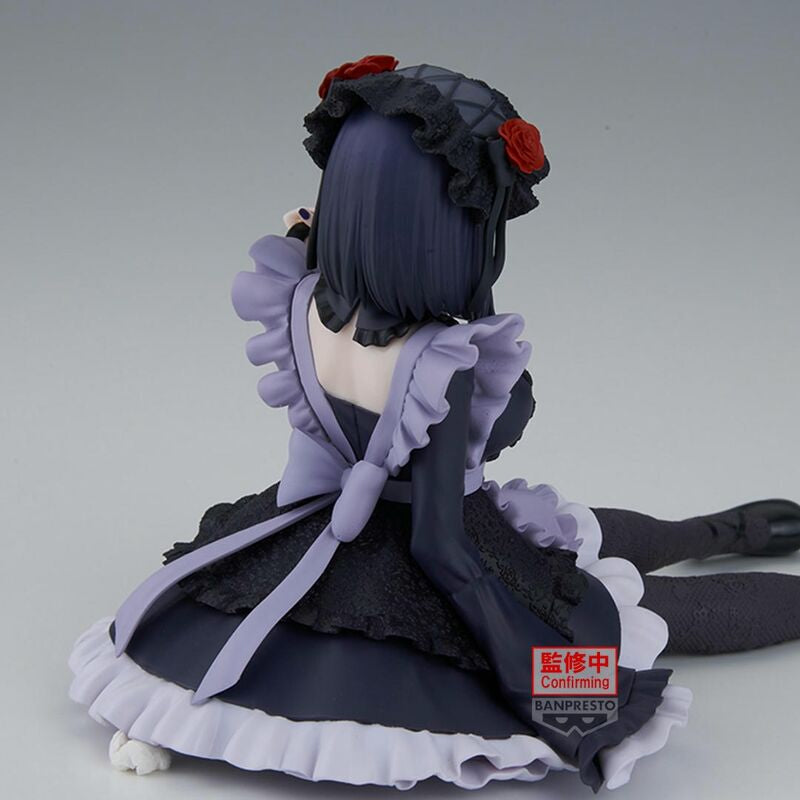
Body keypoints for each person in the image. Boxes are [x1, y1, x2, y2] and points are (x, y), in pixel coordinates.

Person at [69, 56, 800, 792]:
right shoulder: (438, 360)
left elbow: (311, 252)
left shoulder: (294, 296)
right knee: (629, 602)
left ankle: (722, 529)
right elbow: (441, 543)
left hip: (310, 525)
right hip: (429, 547)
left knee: (578, 538)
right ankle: (724, 531)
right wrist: (547, 683)